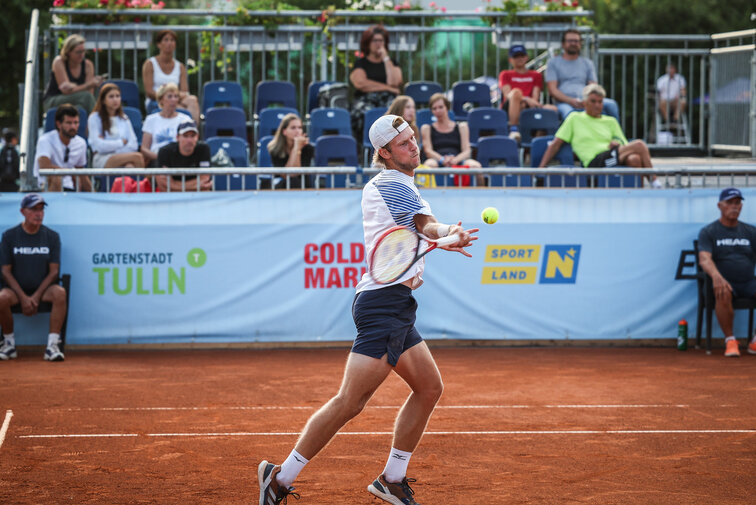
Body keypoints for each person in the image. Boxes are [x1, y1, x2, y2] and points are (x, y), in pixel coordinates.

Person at [257, 114, 478, 505]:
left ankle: (392, 479)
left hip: (395, 305)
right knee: (350, 402)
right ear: (385, 153)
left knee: (428, 388)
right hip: (383, 305)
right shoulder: (391, 183)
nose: (414, 146)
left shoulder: (402, 183)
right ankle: (278, 479)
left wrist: (442, 238)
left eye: (413, 138)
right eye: (405, 143)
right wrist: (448, 234)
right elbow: (424, 224)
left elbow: (419, 227)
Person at [538, 84, 661, 187]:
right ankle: (655, 182)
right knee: (639, 145)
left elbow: (623, 143)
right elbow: (555, 144)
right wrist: (540, 170)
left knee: (635, 159)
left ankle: (636, 194)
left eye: (600, 102)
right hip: (594, 162)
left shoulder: (611, 121)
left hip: (611, 156)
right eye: (593, 101)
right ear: (584, 103)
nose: (597, 105)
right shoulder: (574, 118)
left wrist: (617, 143)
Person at [0, 194, 66, 362]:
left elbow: (54, 272)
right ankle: (9, 344)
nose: (39, 214)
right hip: (16, 292)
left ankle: (52, 346)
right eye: (33, 209)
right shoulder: (9, 236)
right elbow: (5, 271)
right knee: (1, 298)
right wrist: (23, 298)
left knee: (60, 293)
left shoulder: (52, 236)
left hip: (42, 291)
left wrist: (35, 297)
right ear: (23, 212)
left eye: (41, 209)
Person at [698, 188, 756, 358]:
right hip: (723, 281)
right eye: (729, 203)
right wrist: (717, 277)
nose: (734, 207)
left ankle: (754, 341)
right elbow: (705, 259)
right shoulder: (709, 232)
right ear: (719, 206)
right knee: (722, 290)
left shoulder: (750, 232)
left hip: (748, 281)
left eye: (737, 203)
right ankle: (730, 340)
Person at [545, 29, 620, 121]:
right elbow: (553, 90)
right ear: (563, 44)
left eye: (576, 41)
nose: (573, 43)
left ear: (580, 44)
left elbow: (593, 87)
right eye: (570, 41)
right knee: (571, 115)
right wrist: (571, 101)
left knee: (611, 105)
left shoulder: (587, 63)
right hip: (564, 103)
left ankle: (616, 134)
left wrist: (587, 101)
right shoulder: (553, 63)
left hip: (587, 101)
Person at [349, 25, 404, 141]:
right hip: (366, 99)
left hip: (387, 99)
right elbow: (361, 84)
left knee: (396, 111)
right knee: (364, 112)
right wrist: (388, 88)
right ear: (368, 43)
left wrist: (385, 59)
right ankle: (366, 144)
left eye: (381, 41)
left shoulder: (392, 62)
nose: (378, 44)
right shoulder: (361, 63)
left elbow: (394, 82)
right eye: (375, 40)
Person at [499, 44, 558, 142]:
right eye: (516, 56)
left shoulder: (536, 75)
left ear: (526, 57)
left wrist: (526, 102)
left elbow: (535, 98)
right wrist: (525, 99)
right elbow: (507, 94)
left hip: (528, 106)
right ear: (510, 59)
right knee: (516, 93)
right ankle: (514, 129)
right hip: (510, 107)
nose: (519, 58)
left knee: (552, 109)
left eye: (521, 55)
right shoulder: (505, 74)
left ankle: (542, 141)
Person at [420, 93, 483, 186]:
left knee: (476, 166)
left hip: (458, 159)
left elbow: (467, 150)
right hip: (437, 160)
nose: (438, 111)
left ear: (447, 107)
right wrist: (442, 159)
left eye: (441, 107)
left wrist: (455, 160)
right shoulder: (427, 128)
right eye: (434, 108)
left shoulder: (462, 127)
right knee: (429, 165)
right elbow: (428, 150)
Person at [142, 30, 200, 123]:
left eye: (172, 40)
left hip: (176, 98)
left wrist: (173, 97)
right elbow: (149, 91)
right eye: (166, 40)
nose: (169, 43)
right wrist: (165, 96)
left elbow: (185, 91)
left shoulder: (180, 66)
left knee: (192, 100)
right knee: (184, 111)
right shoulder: (150, 64)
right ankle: (188, 131)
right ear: (159, 44)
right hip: (156, 100)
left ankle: (192, 133)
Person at [34, 104, 91, 192]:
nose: (73, 127)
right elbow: (44, 166)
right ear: (58, 124)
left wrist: (94, 194)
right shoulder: (45, 140)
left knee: (78, 179)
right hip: (44, 187)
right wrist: (70, 172)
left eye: (76, 123)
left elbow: (81, 171)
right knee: (57, 177)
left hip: (69, 188)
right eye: (69, 123)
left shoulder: (81, 143)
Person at [42, 34, 103, 114]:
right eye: (78, 52)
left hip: (77, 101)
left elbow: (89, 93)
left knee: (81, 108)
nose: (82, 55)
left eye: (83, 51)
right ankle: (100, 124)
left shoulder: (88, 65)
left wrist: (74, 87)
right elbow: (66, 91)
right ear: (68, 52)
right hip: (54, 100)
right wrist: (89, 84)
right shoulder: (59, 62)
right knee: (86, 97)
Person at [88, 83, 144, 169]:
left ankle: (139, 182)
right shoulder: (94, 118)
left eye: (118, 96)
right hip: (102, 158)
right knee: (138, 157)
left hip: (124, 157)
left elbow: (134, 145)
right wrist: (121, 142)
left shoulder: (124, 118)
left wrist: (109, 145)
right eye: (111, 97)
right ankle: (147, 181)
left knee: (130, 167)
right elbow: (99, 147)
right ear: (103, 100)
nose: (115, 100)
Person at [141, 83, 192, 168]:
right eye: (170, 96)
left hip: (179, 159)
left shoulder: (185, 119)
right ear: (161, 100)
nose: (174, 99)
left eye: (176, 96)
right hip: (157, 158)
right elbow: (144, 148)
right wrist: (161, 157)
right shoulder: (151, 119)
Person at [156, 120, 212, 192]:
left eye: (192, 136)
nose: (189, 140)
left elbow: (205, 179)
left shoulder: (204, 149)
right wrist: (197, 186)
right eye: (185, 136)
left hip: (198, 197)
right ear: (177, 137)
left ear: (197, 137)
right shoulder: (165, 151)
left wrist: (174, 186)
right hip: (172, 198)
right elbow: (163, 184)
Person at [266, 113, 313, 189]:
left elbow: (296, 172)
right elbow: (286, 174)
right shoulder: (274, 148)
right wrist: (296, 148)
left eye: (300, 127)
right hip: (282, 185)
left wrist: (297, 148)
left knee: (295, 181)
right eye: (293, 128)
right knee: (291, 181)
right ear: (284, 131)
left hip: (302, 185)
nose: (297, 131)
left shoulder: (308, 148)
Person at [0, 128, 20, 192]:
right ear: (13, 139)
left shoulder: (1, 149)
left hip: (2, 182)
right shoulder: (18, 150)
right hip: (15, 183)